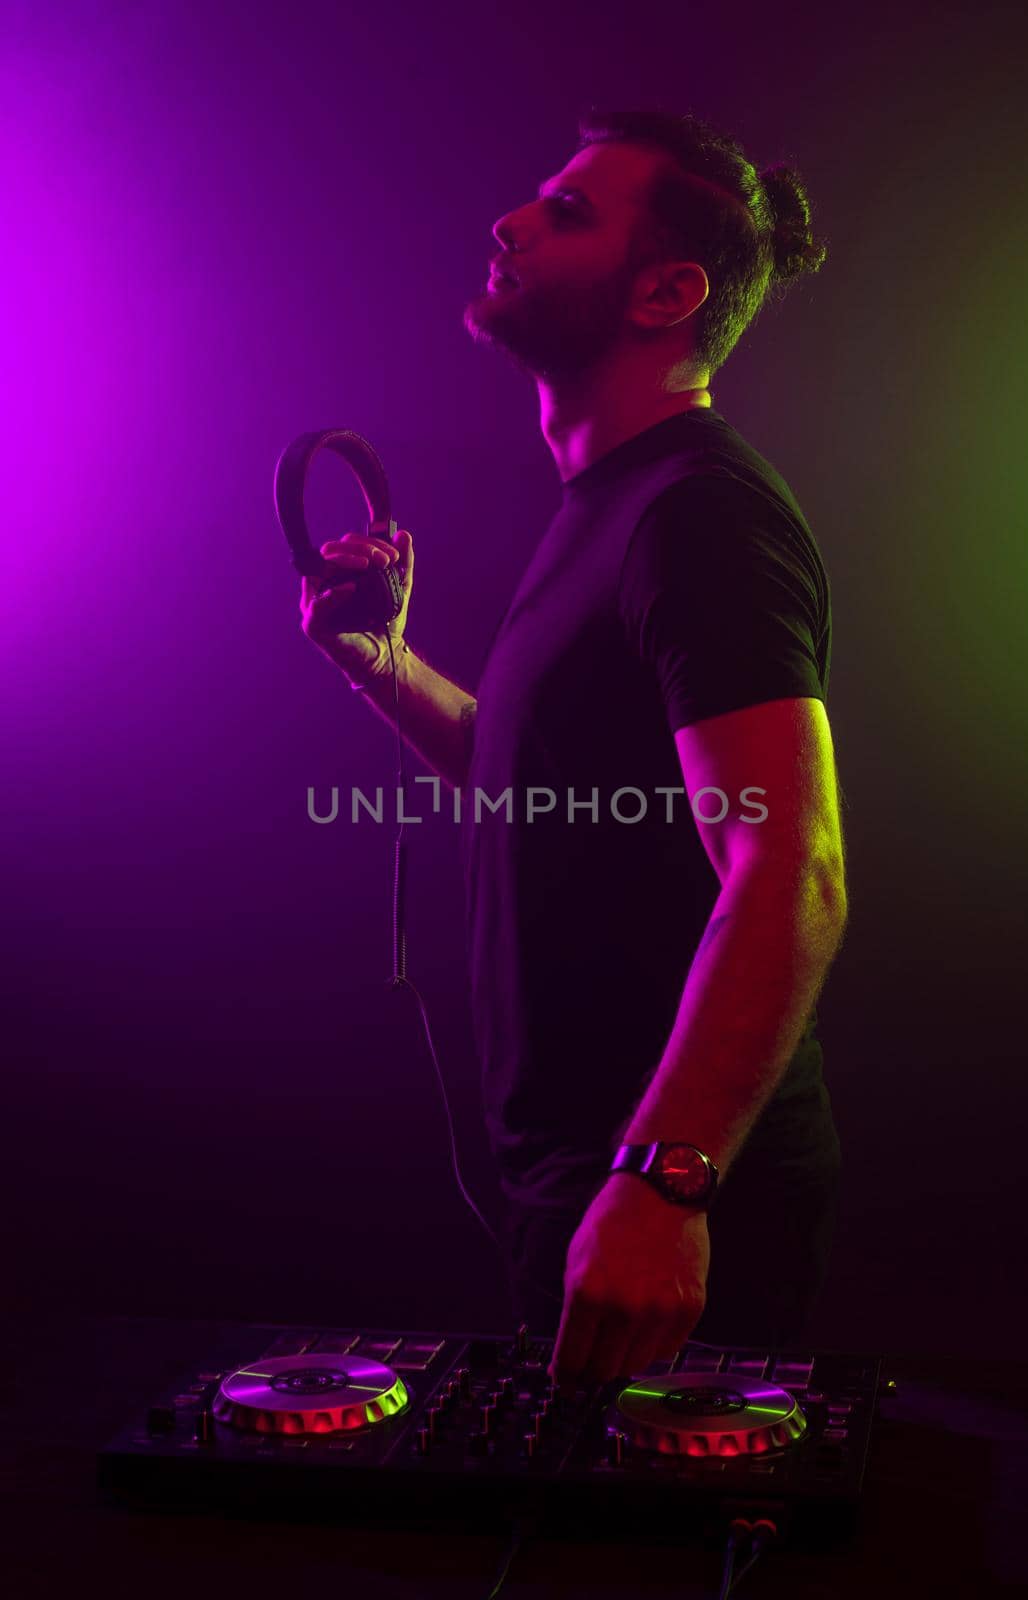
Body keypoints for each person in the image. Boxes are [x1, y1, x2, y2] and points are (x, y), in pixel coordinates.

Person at [301, 109, 847, 1394]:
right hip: (589, 1182)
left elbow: (791, 865)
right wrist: (377, 663)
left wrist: (663, 1182)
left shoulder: (698, 514)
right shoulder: (608, 508)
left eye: (566, 210)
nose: (510, 221)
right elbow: (534, 778)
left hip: (671, 1198)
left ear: (667, 290)